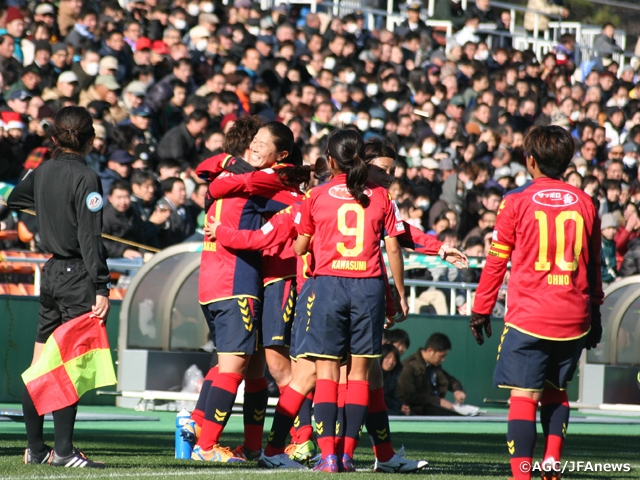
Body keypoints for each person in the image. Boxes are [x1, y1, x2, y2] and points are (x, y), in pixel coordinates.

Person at [471, 126, 604, 480]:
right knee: (556, 391)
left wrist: (481, 308)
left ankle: (522, 474)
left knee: (524, 396)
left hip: (529, 316)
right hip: (574, 315)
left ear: (530, 160)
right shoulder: (587, 202)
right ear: (567, 161)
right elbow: (594, 265)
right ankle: (551, 463)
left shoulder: (515, 200)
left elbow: (496, 260)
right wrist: (595, 312)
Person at [7, 106, 110, 468]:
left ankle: (36, 449)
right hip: (77, 275)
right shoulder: (87, 177)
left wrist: (47, 207)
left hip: (51, 271)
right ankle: (64, 452)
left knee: (38, 365)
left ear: (53, 137)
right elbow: (90, 237)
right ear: (91, 138)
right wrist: (102, 286)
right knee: (70, 365)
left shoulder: (42, 170)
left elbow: (14, 199)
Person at [397, 333, 465, 415]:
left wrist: (457, 390)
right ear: (430, 351)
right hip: (419, 409)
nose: (443, 359)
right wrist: (438, 401)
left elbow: (450, 380)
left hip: (434, 406)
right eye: (441, 356)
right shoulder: (408, 367)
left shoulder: (434, 365)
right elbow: (410, 396)